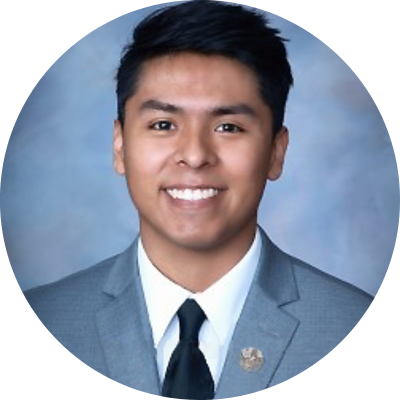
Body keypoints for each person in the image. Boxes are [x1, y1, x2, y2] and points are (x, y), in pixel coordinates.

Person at [25, 1, 373, 398]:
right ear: (119, 146)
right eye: (163, 124)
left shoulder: (358, 328)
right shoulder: (38, 323)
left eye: (228, 126)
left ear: (276, 152)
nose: (194, 155)